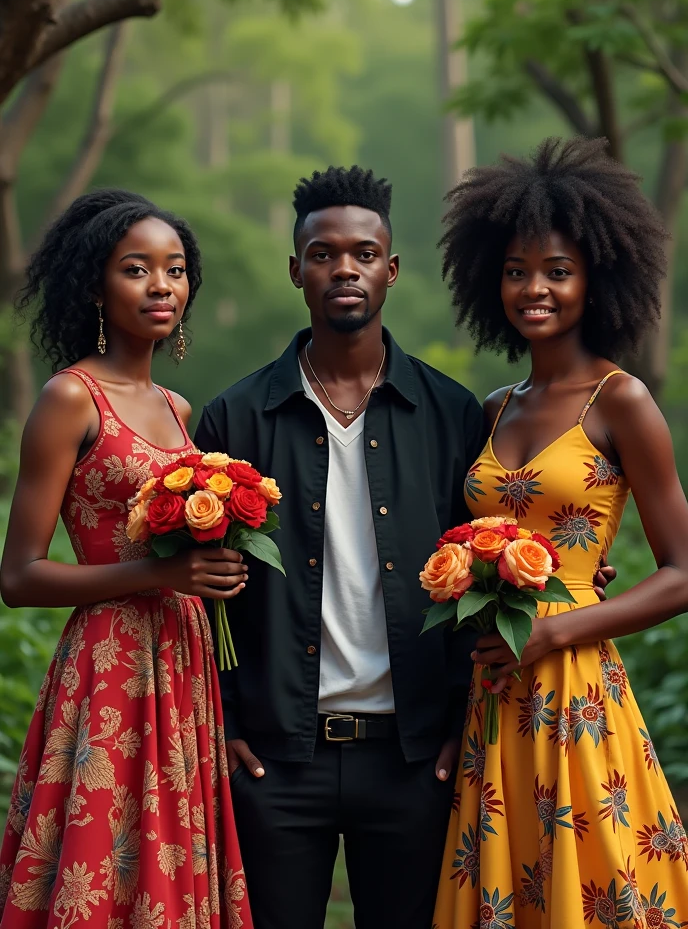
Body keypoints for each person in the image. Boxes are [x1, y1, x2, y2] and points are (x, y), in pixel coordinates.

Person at [194, 165, 614, 929]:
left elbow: (494, 553)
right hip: (277, 762)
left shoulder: (454, 415)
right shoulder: (235, 421)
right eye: (323, 254)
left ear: (391, 269)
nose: (343, 268)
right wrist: (218, 726)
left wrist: (573, 579)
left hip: (419, 757)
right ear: (297, 270)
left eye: (363, 253)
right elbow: (199, 593)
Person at [433, 137, 688, 929]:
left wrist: (556, 630)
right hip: (494, 694)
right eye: (516, 270)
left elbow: (684, 574)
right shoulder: (495, 408)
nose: (533, 288)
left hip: (575, 687)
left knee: (591, 886)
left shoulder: (622, 401)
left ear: (597, 278)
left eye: (557, 271)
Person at [0, 190, 252, 929]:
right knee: (102, 862)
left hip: (183, 660)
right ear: (96, 286)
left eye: (174, 270)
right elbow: (18, 577)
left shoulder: (176, 407)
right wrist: (161, 576)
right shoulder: (69, 398)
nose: (161, 286)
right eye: (136, 269)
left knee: (168, 867)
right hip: (108, 666)